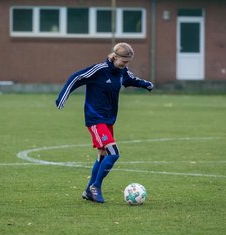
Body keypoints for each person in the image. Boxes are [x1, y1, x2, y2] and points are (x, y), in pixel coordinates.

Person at [55, 42, 153, 203]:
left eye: (128, 62)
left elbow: (131, 80)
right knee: (114, 153)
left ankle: (88, 190)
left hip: (108, 120)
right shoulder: (98, 70)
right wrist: (62, 98)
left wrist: (146, 84)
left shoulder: (122, 72)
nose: (125, 65)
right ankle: (96, 187)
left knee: (102, 155)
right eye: (124, 61)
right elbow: (76, 77)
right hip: (95, 119)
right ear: (114, 57)